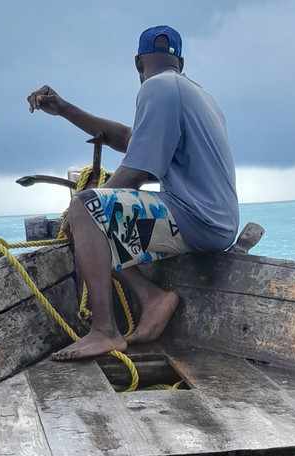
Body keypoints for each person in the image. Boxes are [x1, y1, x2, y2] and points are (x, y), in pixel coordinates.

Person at [27, 25, 239, 360]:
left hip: (197, 219)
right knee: (96, 216)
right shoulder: (196, 95)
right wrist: (65, 108)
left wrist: (80, 215)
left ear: (138, 62)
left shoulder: (156, 89)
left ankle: (104, 331)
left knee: (87, 210)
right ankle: (153, 298)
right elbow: (129, 138)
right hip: (216, 220)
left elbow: (136, 174)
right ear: (180, 63)